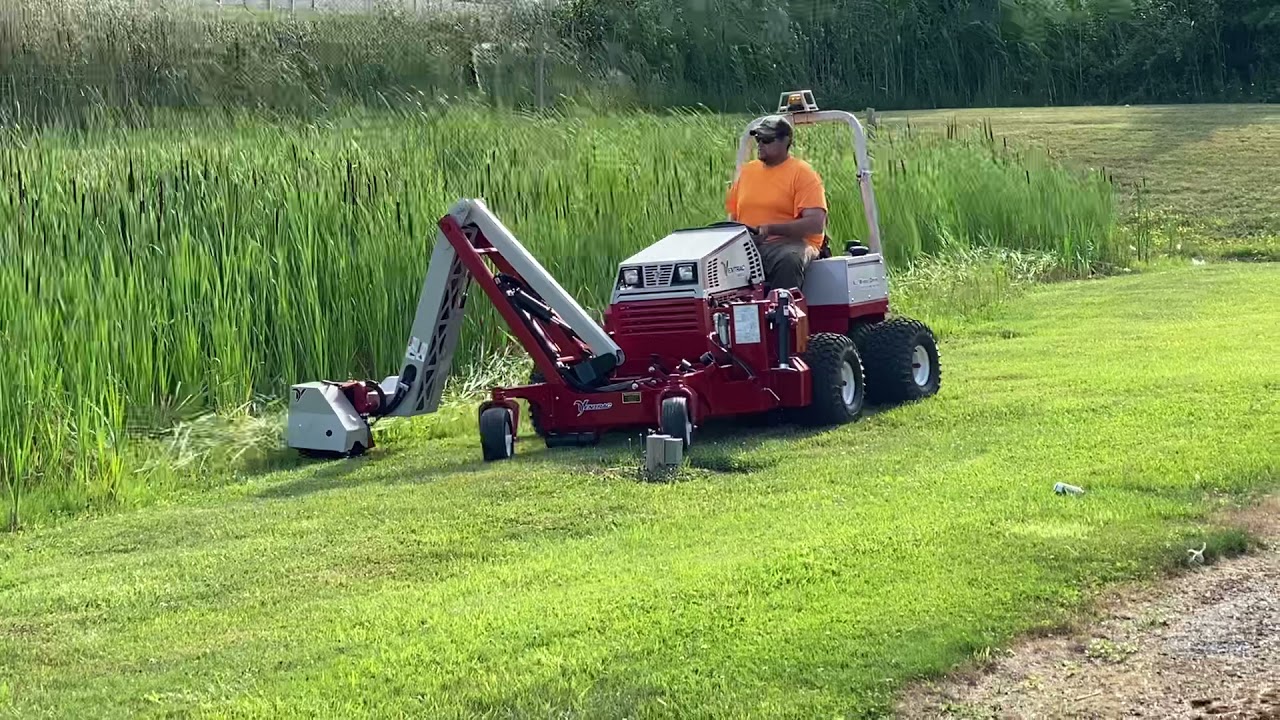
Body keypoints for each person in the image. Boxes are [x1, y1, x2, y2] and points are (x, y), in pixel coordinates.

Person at [724, 115, 828, 292]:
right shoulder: (747, 172)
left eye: (767, 139)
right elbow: (733, 217)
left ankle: (783, 312)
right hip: (751, 245)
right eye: (758, 139)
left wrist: (771, 229)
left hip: (791, 244)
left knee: (789, 259)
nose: (760, 144)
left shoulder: (802, 173)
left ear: (785, 141)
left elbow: (815, 224)